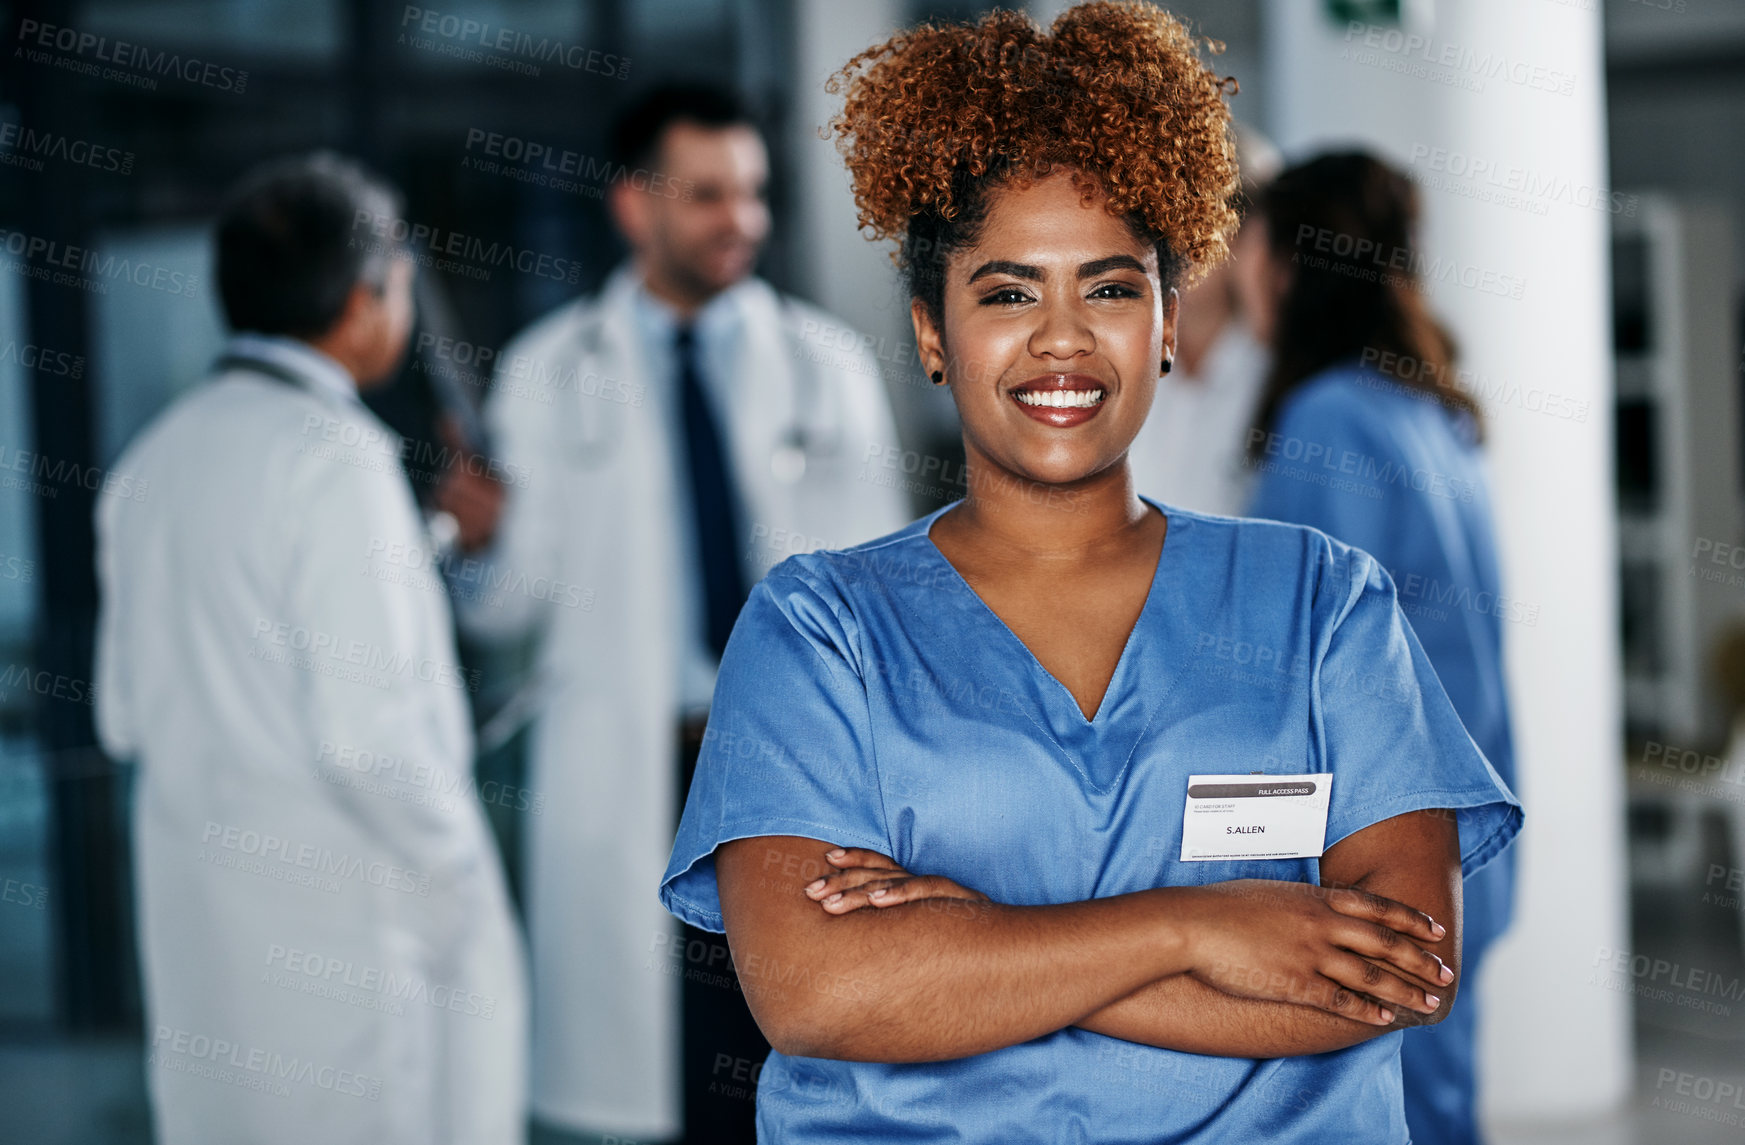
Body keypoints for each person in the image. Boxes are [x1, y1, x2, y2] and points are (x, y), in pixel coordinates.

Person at [658, 4, 1521, 1140]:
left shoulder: (1321, 603)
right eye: (1007, 292)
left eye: (1110, 288)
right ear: (930, 332)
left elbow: (1402, 971)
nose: (1061, 338)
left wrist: (980, 940)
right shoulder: (819, 629)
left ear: (1167, 320)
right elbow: (819, 990)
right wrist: (1192, 928)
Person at [445, 86, 908, 1143]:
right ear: (632, 207)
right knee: (656, 1076)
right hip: (633, 759)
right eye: (705, 195)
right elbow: (507, 608)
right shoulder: (548, 373)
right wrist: (478, 543)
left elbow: (879, 590)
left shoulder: (826, 364)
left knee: (777, 1057)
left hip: (780, 759)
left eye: (748, 193)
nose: (737, 219)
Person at [93, 153, 528, 1145]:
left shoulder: (152, 464)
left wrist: (435, 544)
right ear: (362, 299)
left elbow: (130, 707)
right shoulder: (339, 462)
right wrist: (463, 881)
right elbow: (369, 740)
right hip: (348, 950)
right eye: (405, 278)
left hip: (208, 945)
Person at [1239, 151, 1520, 1145]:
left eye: (1249, 244)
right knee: (1438, 1103)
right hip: (1456, 844)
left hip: (1374, 853)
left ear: (1286, 264)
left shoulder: (1328, 419)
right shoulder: (1431, 414)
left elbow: (1291, 677)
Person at [1126, 124, 1280, 515]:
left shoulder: (1279, 373)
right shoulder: (1120, 361)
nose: (1179, 245)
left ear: (1249, 238)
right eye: (1165, 219)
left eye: (1201, 222)